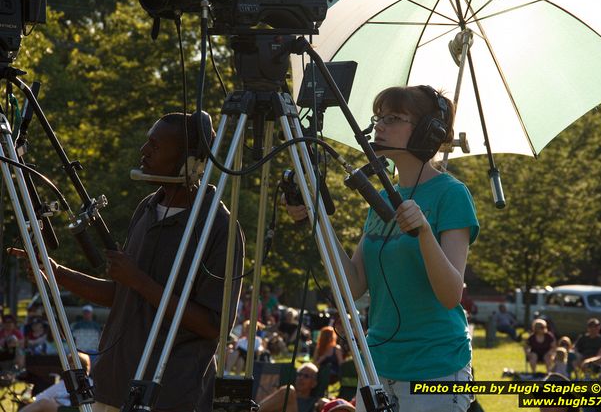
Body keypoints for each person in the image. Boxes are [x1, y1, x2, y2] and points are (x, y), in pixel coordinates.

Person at [10, 111, 244, 412]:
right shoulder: (147, 208)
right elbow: (121, 294)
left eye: (155, 145)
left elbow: (215, 326)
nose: (143, 151)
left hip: (171, 395)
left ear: (191, 161)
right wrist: (56, 273)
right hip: (113, 386)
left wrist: (139, 281)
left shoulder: (218, 226)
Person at [286, 85, 479, 411]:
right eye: (379, 117)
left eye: (394, 118)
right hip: (377, 366)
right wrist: (316, 217)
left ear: (426, 131)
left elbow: (450, 295)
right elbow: (353, 284)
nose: (379, 125)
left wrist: (424, 233)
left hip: (435, 369)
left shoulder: (451, 194)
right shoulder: (378, 201)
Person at [20, 352, 92, 412]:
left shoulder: (89, 383)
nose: (70, 368)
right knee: (44, 402)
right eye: (69, 366)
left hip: (76, 409)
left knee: (44, 403)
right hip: (65, 407)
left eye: (72, 366)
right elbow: (43, 396)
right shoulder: (65, 383)